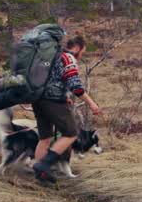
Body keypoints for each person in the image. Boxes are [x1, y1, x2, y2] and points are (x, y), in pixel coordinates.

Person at [31, 34, 100, 183]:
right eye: (83, 52)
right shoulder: (68, 58)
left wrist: (64, 94)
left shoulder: (53, 57)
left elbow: (53, 79)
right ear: (77, 48)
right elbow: (76, 87)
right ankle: (44, 165)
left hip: (38, 100)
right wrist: (92, 104)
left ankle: (39, 175)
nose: (81, 55)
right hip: (53, 101)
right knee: (71, 133)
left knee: (45, 138)